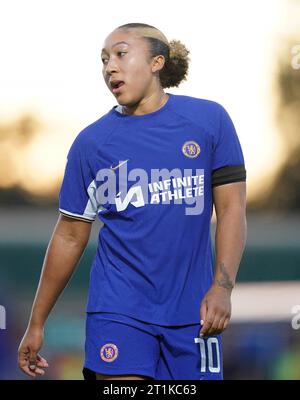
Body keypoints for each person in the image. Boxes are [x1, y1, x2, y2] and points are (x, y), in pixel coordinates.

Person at [17, 22, 247, 380]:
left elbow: (232, 210)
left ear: (157, 62)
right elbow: (69, 235)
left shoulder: (209, 121)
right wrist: (36, 322)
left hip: (194, 314)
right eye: (104, 59)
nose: (110, 66)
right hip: (118, 309)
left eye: (121, 53)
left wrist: (222, 287)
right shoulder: (91, 144)